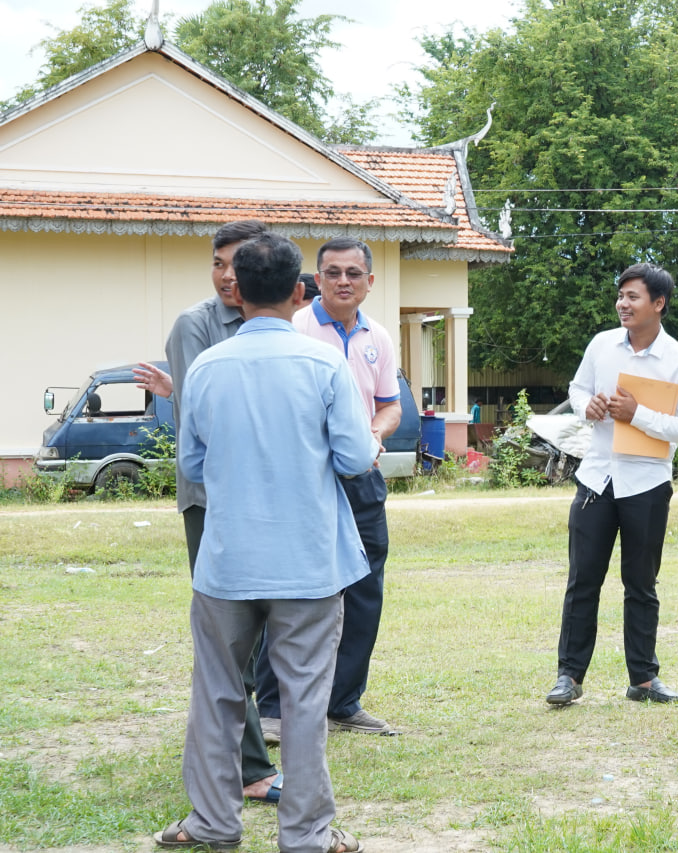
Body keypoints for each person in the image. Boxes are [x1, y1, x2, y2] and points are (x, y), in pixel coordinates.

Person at [153, 232, 373, 853]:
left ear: (239, 293)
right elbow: (355, 458)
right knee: (304, 700)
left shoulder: (205, 368)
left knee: (216, 694)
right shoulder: (323, 363)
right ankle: (306, 834)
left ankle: (212, 823)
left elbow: (191, 465)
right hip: (308, 561)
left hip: (227, 560)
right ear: (301, 292)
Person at [134, 219, 282, 806]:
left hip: (275, 502)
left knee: (271, 631)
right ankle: (249, 768)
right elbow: (207, 418)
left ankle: (241, 748)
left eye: (236, 263)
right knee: (227, 636)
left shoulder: (279, 320)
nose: (226, 275)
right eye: (217, 263)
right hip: (214, 503)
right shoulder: (195, 325)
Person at [255, 238, 401, 739]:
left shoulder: (378, 337)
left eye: (353, 273)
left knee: (364, 591)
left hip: (361, 479)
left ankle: (343, 701)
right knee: (291, 592)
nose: (343, 281)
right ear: (315, 280)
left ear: (369, 282)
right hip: (304, 481)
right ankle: (273, 708)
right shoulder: (295, 328)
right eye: (333, 273)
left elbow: (390, 404)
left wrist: (374, 432)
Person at [545, 263, 678, 706]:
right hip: (596, 479)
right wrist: (588, 406)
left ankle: (644, 679)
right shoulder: (601, 345)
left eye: (633, 296)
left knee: (641, 584)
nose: (623, 303)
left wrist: (639, 415)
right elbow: (577, 389)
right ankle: (568, 677)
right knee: (582, 581)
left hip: (647, 484)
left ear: (659, 303)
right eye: (621, 295)